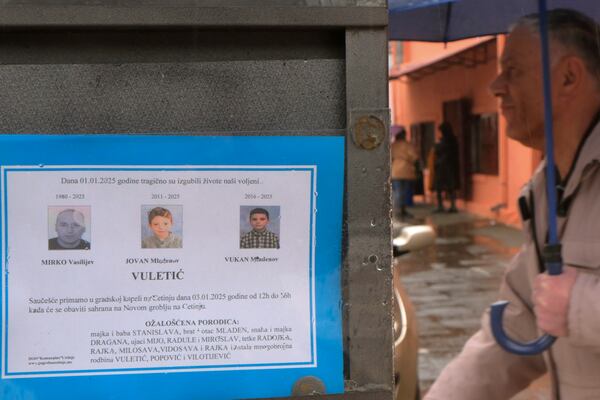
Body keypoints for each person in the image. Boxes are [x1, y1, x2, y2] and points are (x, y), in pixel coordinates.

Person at [425, 9, 600, 400]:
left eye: (514, 70)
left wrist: (580, 305)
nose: (496, 86)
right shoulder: (543, 190)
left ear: (569, 77)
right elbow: (516, 330)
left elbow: (566, 306)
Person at [391, 127, 419, 218]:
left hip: (395, 170)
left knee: (397, 191)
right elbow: (414, 157)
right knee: (405, 191)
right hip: (406, 170)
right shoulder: (408, 145)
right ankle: (403, 210)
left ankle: (397, 210)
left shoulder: (392, 145)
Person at [433, 121, 460, 213]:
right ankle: (448, 205)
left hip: (445, 166)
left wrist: (438, 145)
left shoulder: (448, 140)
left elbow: (438, 151)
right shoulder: (450, 140)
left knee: (446, 187)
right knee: (445, 187)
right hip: (448, 166)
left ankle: (448, 206)